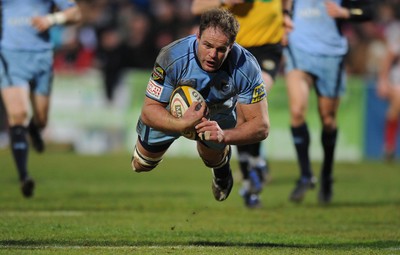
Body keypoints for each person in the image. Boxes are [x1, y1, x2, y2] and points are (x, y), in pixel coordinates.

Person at [131, 8, 270, 202]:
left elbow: (261, 126)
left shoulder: (246, 66)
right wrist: (181, 124)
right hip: (172, 110)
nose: (213, 54)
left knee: (210, 157)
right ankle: (214, 154)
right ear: (197, 36)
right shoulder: (172, 56)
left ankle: (221, 170)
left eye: (221, 49)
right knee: (140, 165)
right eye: (207, 45)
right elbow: (149, 110)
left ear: (232, 45)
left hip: (217, 112)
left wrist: (224, 136)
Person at [191, 0, 292, 208]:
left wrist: (286, 14)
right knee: (239, 111)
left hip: (267, 49)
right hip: (233, 52)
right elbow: (196, 7)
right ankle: (249, 177)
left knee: (254, 98)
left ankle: (253, 164)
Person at [283, 0, 373, 203]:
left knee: (328, 119)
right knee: (297, 112)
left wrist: (345, 12)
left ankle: (326, 174)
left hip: (331, 56)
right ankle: (306, 175)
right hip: (299, 51)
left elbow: (369, 10)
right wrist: (285, 16)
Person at [0, 0, 81, 198]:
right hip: (11, 56)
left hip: (42, 57)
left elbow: (75, 13)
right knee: (18, 114)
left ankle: (35, 129)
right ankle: (24, 176)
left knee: (41, 119)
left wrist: (52, 19)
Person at [377, 3, 400, 162]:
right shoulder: (397, 30)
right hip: (398, 78)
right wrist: (383, 80)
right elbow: (389, 56)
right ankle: (389, 147)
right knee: (395, 110)